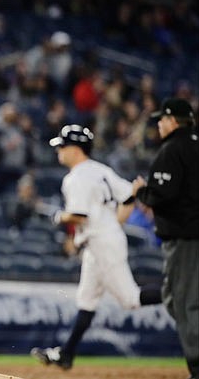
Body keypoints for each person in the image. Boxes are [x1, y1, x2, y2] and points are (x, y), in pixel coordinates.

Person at [30, 124, 162, 370]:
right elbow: (129, 195)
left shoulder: (76, 177)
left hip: (102, 241)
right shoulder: (101, 170)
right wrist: (114, 223)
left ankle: (178, 290)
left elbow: (79, 216)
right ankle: (66, 354)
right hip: (101, 240)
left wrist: (58, 216)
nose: (59, 150)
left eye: (63, 145)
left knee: (130, 299)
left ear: (76, 149)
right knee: (87, 300)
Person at [134, 98, 199, 379]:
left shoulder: (172, 149)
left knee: (186, 303)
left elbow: (163, 195)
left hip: (186, 237)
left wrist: (142, 192)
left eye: (162, 120)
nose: (159, 125)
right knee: (175, 299)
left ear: (173, 121)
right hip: (191, 235)